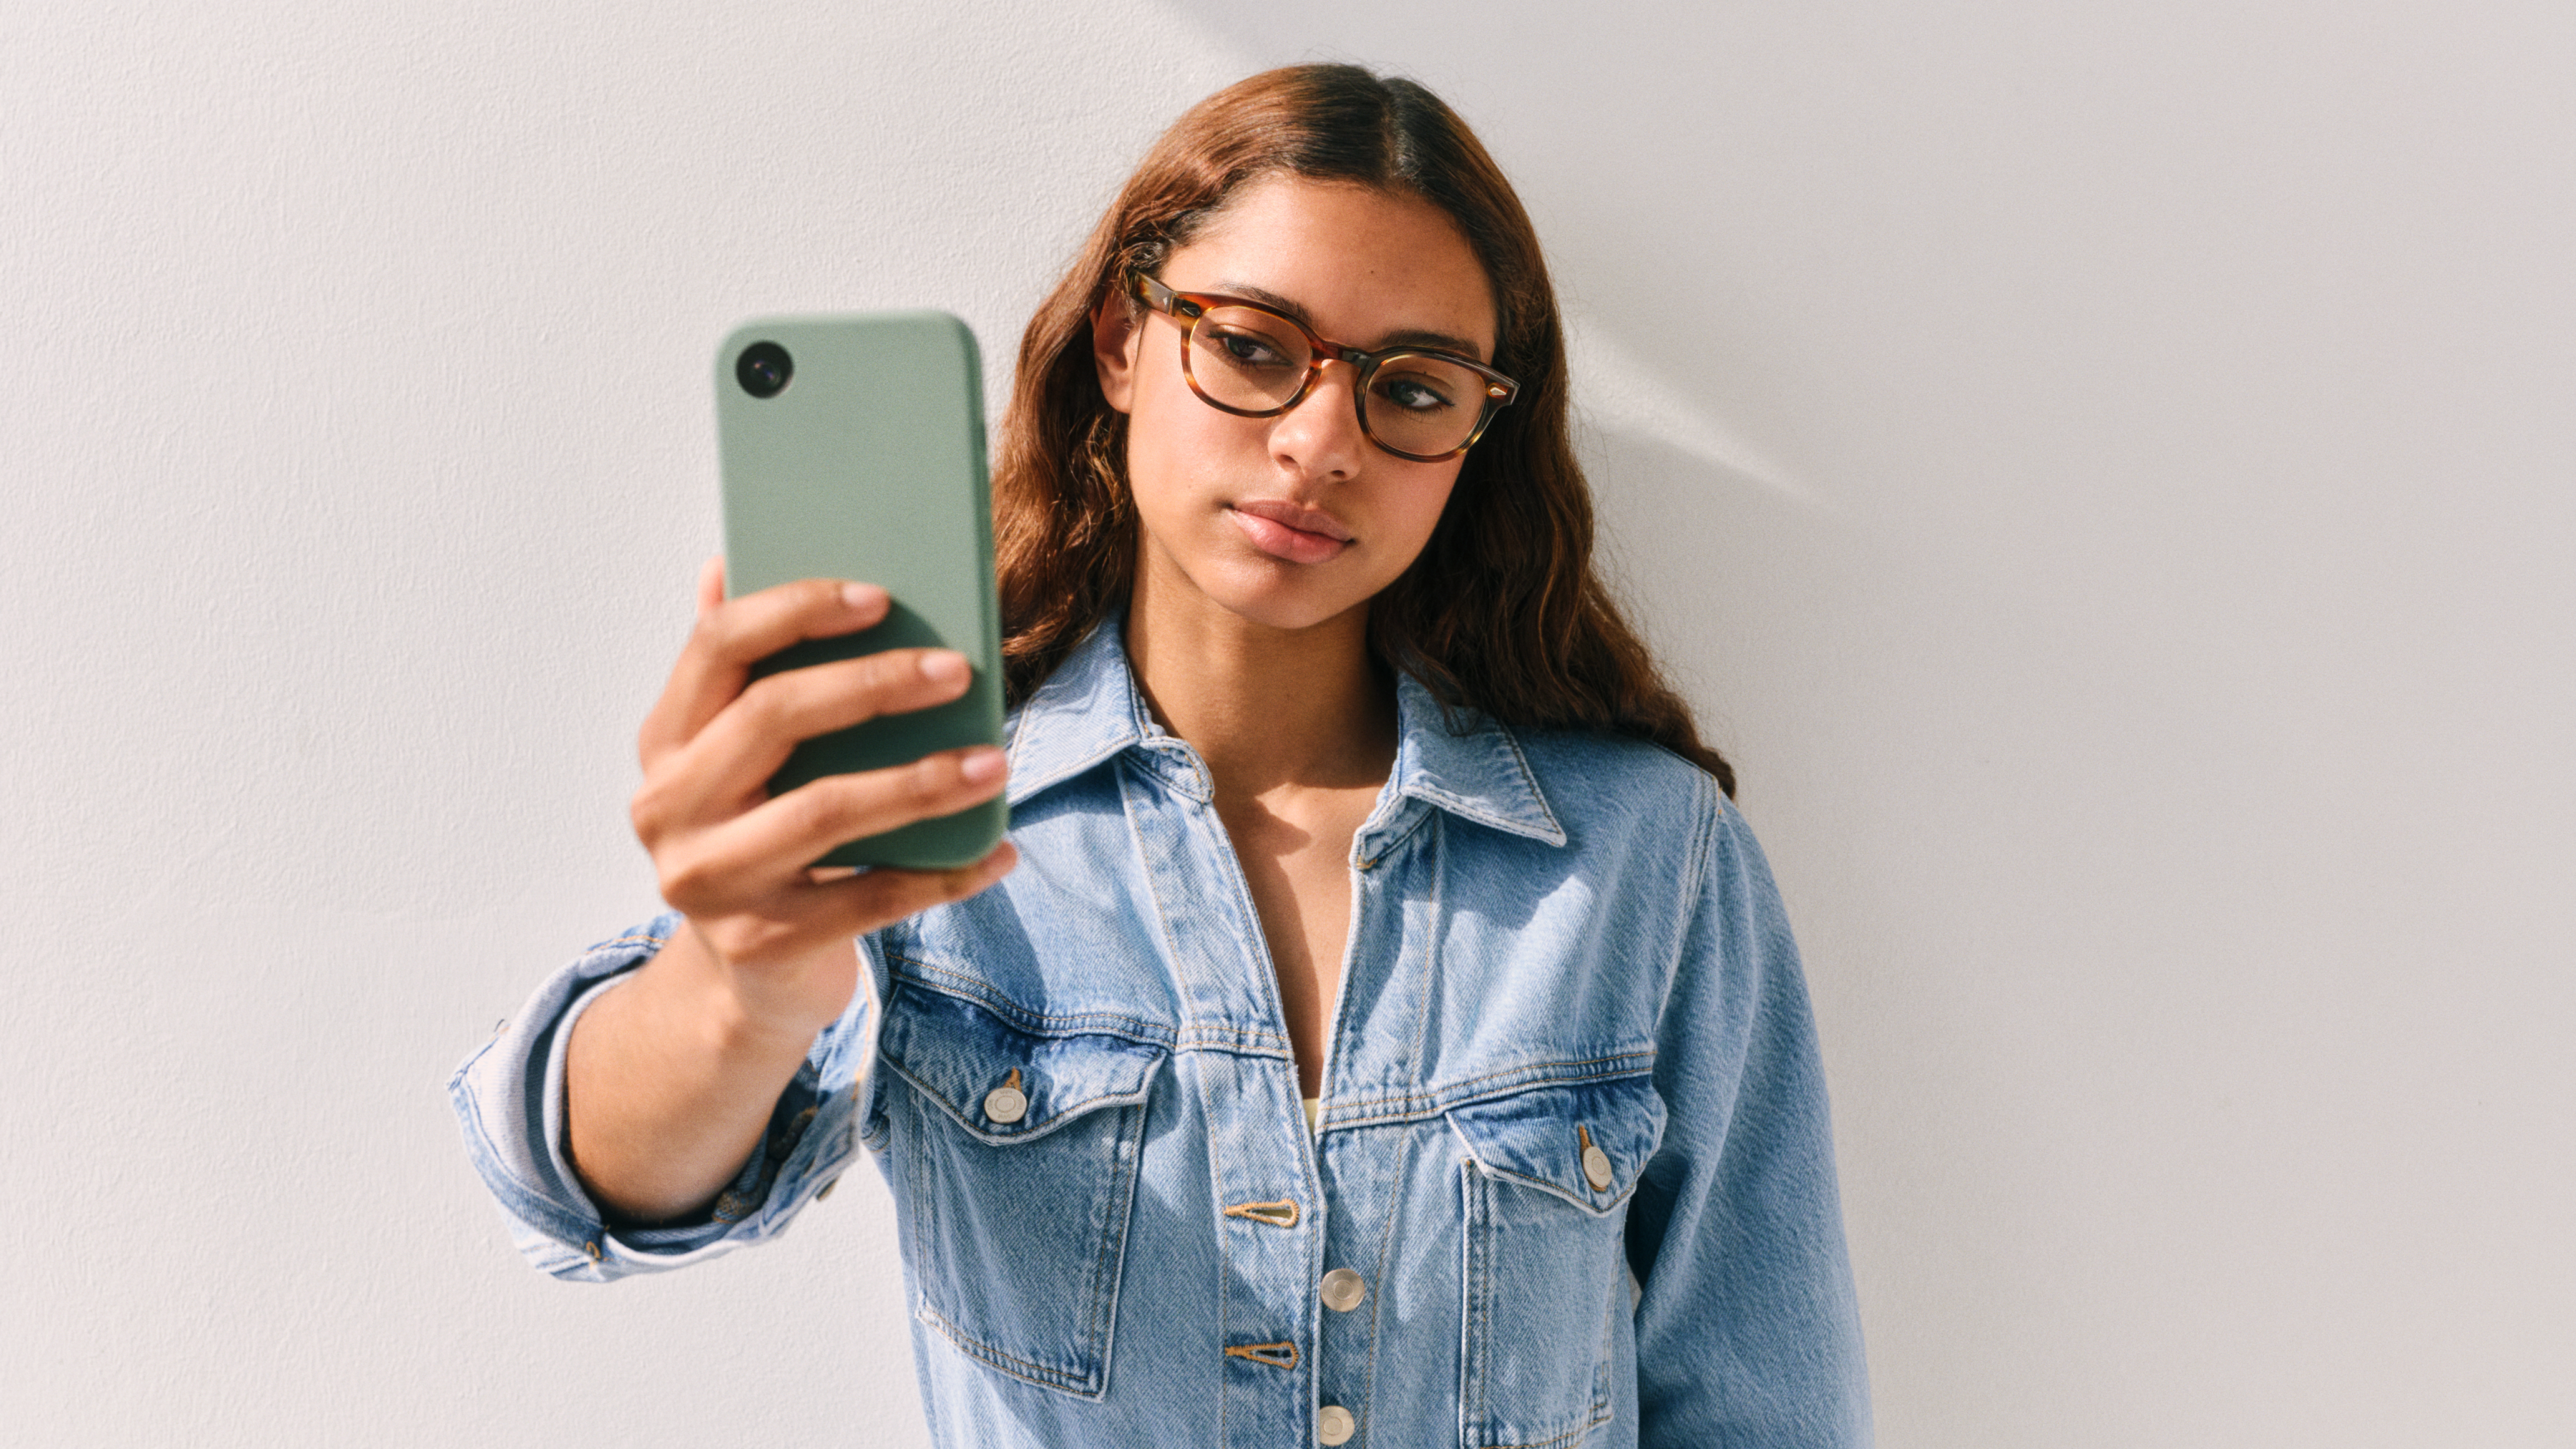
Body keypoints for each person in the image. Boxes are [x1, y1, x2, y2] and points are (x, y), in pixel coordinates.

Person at [452, 63, 1870, 1449]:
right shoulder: (930, 819)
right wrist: (736, 986)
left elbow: (1768, 1406)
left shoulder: (1647, 860)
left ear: (1474, 441)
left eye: (1415, 390)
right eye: (1252, 347)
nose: (1322, 443)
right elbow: (579, 1192)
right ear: (1124, 345)